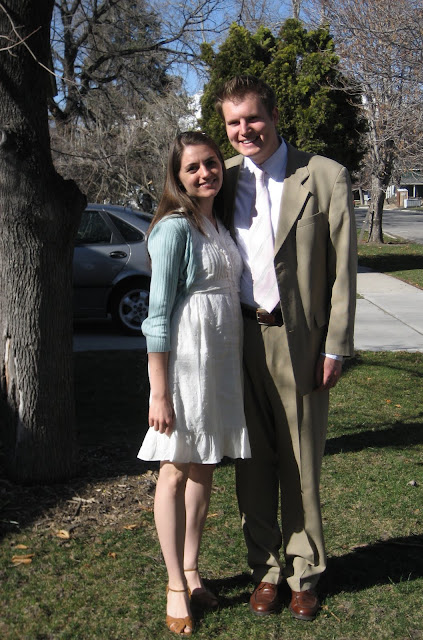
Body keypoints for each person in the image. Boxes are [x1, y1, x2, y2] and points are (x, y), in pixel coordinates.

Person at [215, 76, 357, 621]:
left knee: (301, 462)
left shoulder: (323, 175)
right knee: (251, 461)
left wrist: (335, 347)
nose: (244, 130)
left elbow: (343, 271)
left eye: (252, 117)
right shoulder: (221, 178)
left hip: (300, 340)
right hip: (237, 339)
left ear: (274, 116)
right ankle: (265, 570)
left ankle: (304, 572)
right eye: (233, 122)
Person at [137, 131, 250, 636]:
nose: (205, 172)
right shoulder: (174, 229)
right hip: (186, 362)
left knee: (204, 466)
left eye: (211, 163)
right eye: (193, 167)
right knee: (174, 470)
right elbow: (157, 317)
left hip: (220, 361)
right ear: (177, 177)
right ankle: (174, 585)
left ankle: (192, 569)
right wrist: (159, 391)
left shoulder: (218, 223)